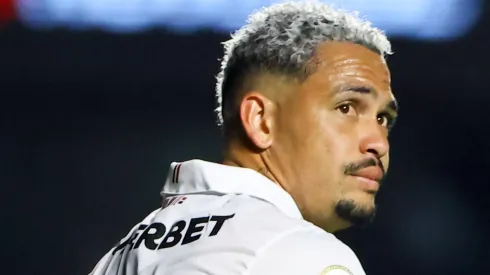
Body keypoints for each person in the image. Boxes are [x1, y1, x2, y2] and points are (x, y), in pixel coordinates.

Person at [89, 1, 399, 274]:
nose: (379, 143)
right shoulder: (301, 252)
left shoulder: (118, 257)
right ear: (261, 121)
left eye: (383, 118)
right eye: (346, 107)